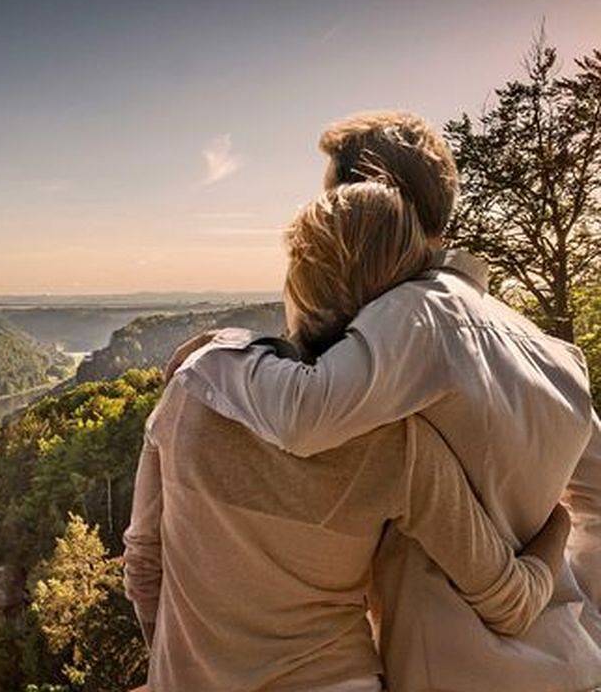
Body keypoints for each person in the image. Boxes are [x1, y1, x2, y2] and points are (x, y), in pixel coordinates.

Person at [171, 111, 601, 690]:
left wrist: (215, 356)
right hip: (568, 659)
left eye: (335, 201)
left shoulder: (414, 317)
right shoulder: (555, 355)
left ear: (370, 202)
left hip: (453, 669)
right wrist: (579, 609)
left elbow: (305, 415)